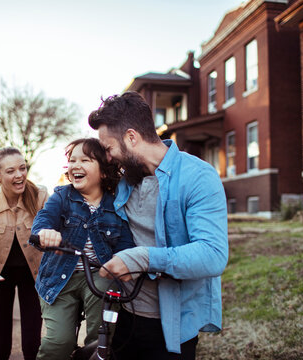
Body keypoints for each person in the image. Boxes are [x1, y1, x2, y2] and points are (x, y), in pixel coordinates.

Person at [88, 91, 229, 359]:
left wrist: (141, 258)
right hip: (124, 314)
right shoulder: (123, 181)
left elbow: (212, 255)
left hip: (171, 324)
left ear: (131, 137)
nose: (107, 158)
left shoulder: (198, 177)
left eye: (108, 149)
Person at [32, 138, 135, 360]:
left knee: (101, 340)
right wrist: (45, 233)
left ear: (104, 172)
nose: (75, 165)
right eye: (72, 160)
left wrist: (126, 262)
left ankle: (96, 351)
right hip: (59, 279)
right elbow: (44, 220)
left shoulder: (115, 206)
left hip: (99, 275)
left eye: (85, 160)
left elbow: (125, 243)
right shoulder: (62, 197)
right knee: (58, 343)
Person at [0, 146, 49, 360]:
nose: (19, 175)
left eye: (22, 168)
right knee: (1, 345)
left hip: (32, 276)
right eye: (11, 171)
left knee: (32, 343)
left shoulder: (40, 195)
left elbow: (51, 230)